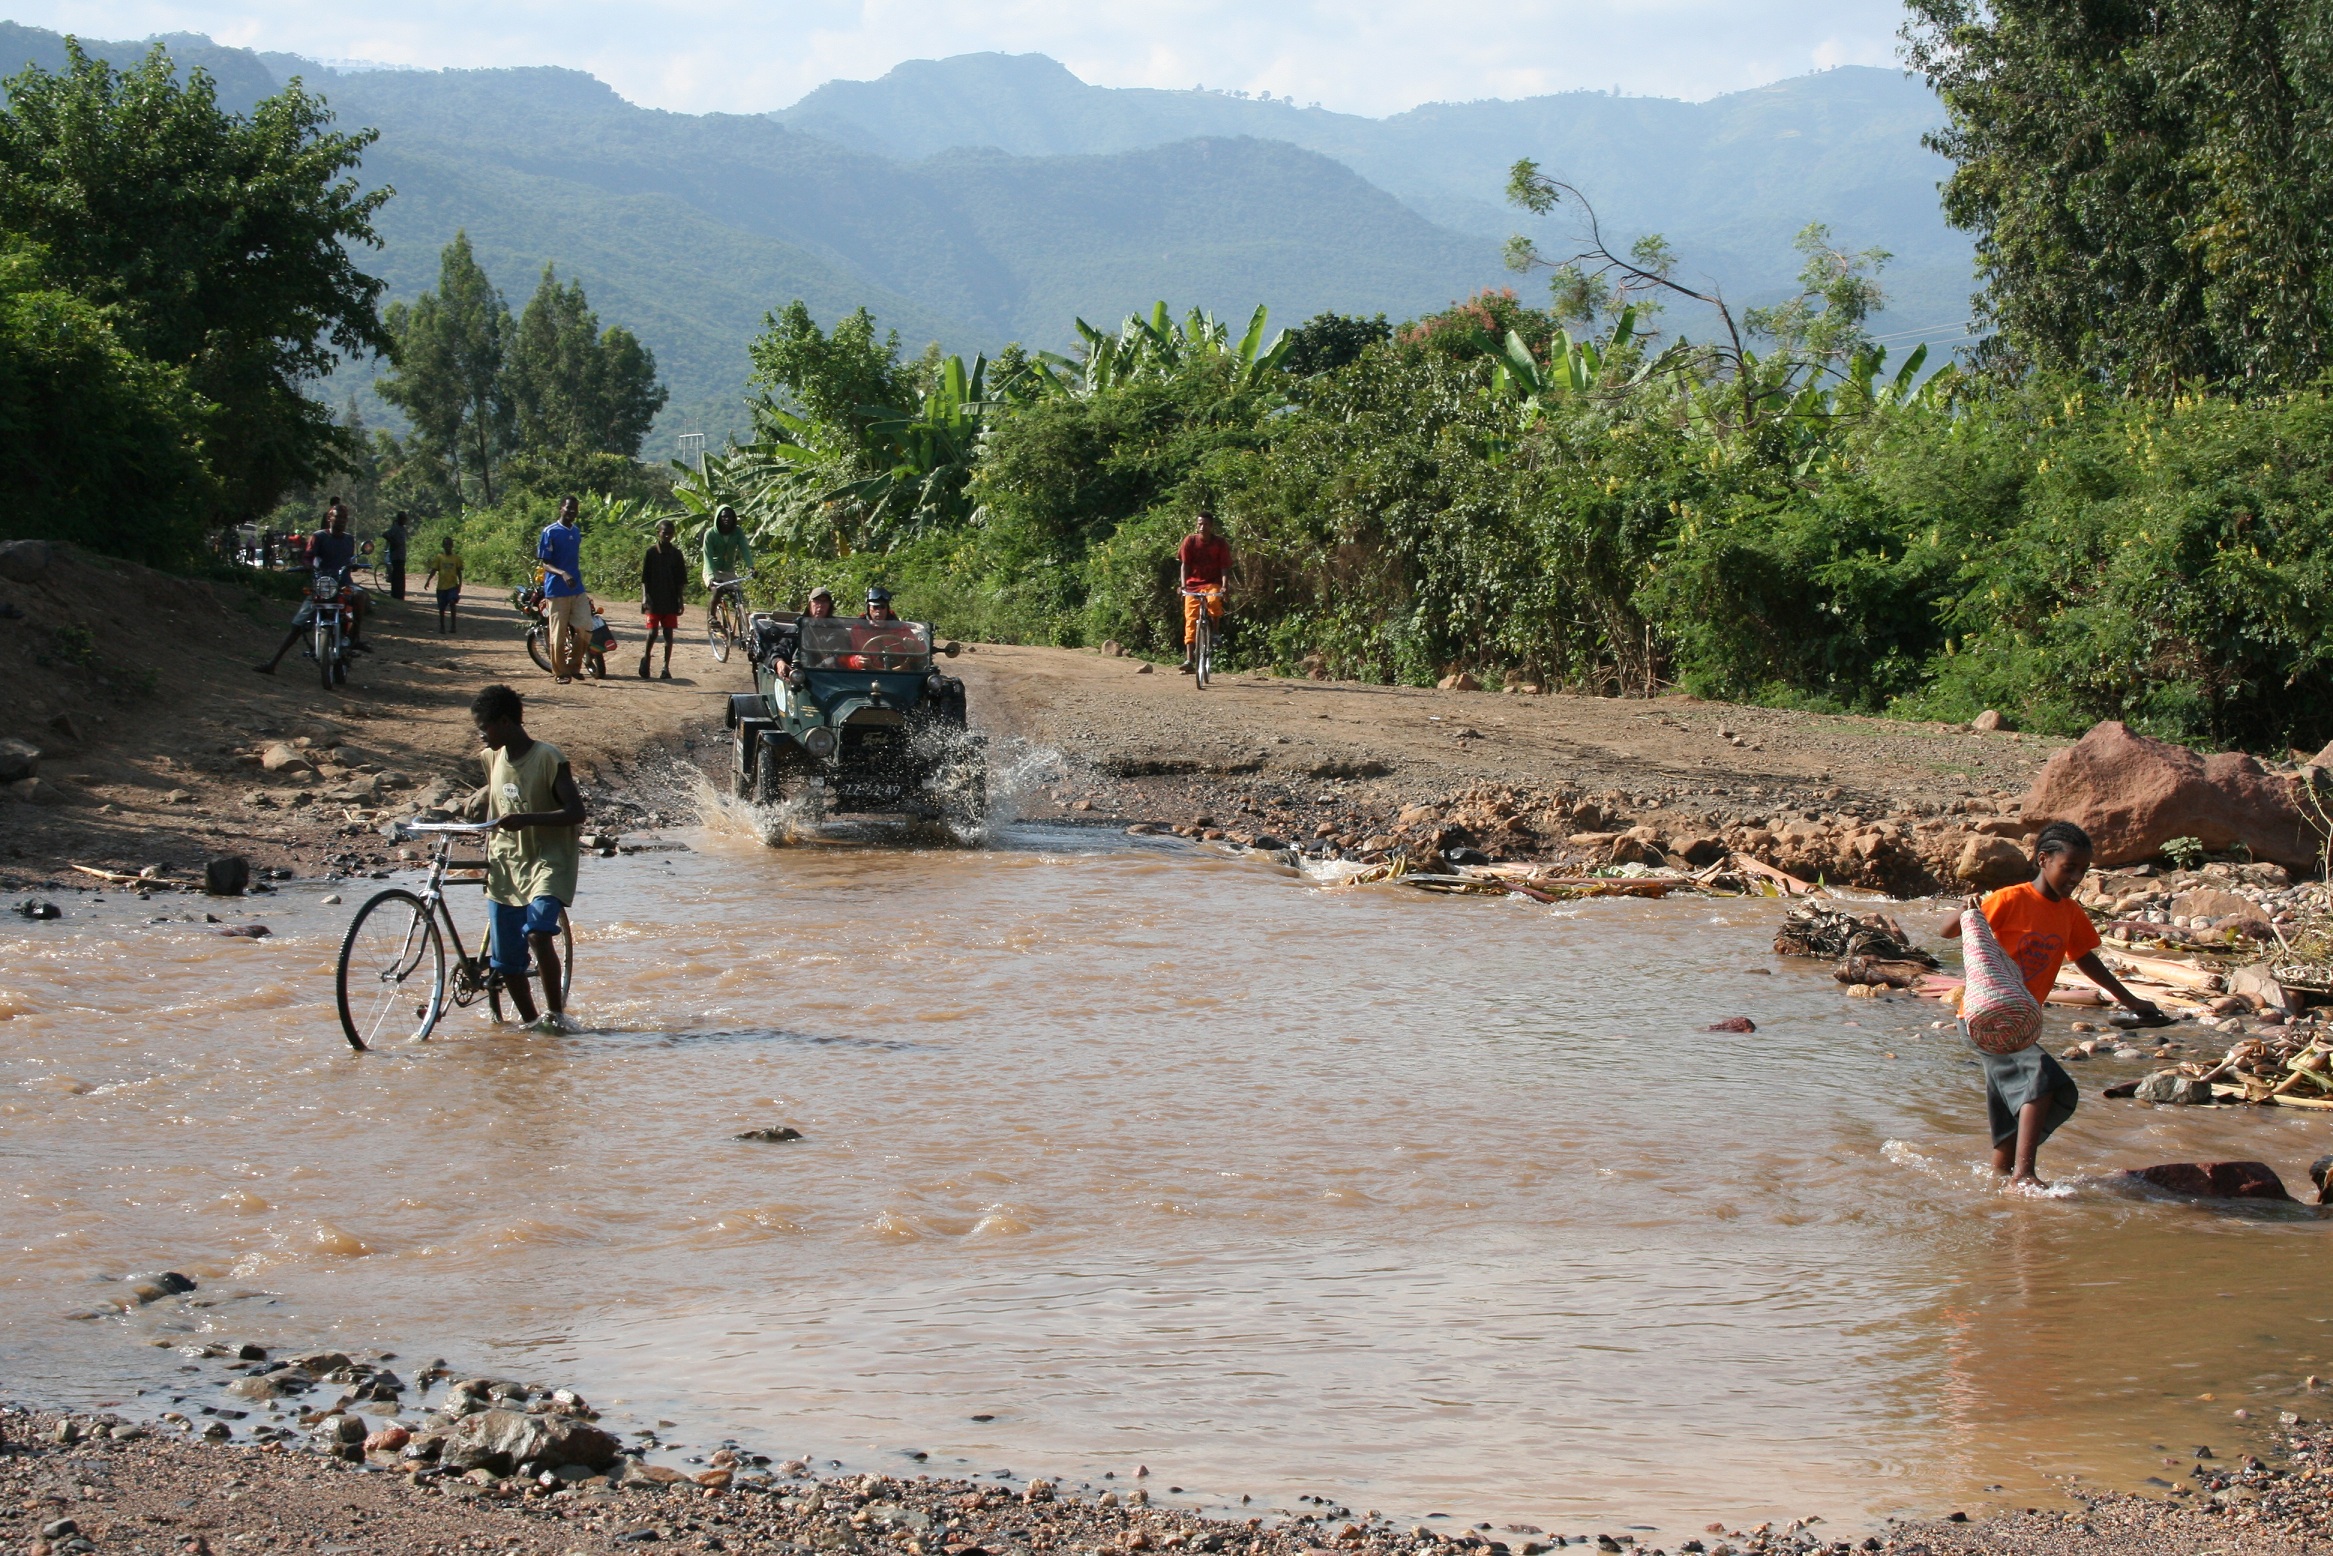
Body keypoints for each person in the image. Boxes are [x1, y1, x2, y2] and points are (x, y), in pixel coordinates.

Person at [1938, 821, 2162, 1188]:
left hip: (2021, 1022)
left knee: (2010, 1099)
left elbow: (2087, 959)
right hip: (1987, 1020)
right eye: (2068, 867)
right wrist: (1964, 908)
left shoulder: (2070, 912)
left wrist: (2132, 1000)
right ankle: (2023, 1177)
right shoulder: (2010, 899)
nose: (2076, 876)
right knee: (2042, 1082)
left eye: (2082, 870)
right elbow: (1947, 932)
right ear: (2043, 860)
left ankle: (1998, 1176)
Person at [472, 683, 586, 1031]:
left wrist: (528, 819)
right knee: (507, 964)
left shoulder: (548, 758)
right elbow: (497, 799)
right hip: (506, 863)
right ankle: (530, 1023)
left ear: (505, 722)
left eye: (484, 728)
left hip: (548, 861)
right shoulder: (491, 758)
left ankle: (555, 1016)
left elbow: (575, 812)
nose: (481, 736)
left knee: (537, 933)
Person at [253, 500, 368, 673]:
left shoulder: (349, 540)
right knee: (298, 625)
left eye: (344, 517)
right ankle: (273, 663)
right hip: (322, 585)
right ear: (330, 517)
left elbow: (349, 560)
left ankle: (355, 637)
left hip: (343, 584)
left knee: (360, 596)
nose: (341, 520)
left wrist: (354, 565)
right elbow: (308, 556)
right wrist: (308, 565)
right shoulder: (319, 537)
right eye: (338, 517)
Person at [537, 496, 589, 682]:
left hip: (577, 588)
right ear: (561, 508)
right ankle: (560, 672)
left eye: (575, 508)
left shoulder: (576, 531)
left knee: (586, 627)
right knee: (558, 634)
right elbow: (545, 563)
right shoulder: (550, 532)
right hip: (557, 590)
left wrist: (572, 576)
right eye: (568, 508)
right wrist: (562, 573)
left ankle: (574, 666)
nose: (572, 511)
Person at [1177, 511, 1230, 672]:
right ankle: (1189, 660)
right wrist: (1183, 585)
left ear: (1211, 526)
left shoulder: (1219, 543)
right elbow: (1184, 565)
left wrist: (1224, 585)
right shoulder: (1190, 541)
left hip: (1211, 583)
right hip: (1192, 585)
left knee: (1214, 602)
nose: (1202, 527)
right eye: (1199, 524)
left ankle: (1215, 633)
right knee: (1190, 619)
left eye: (1205, 524)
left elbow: (1225, 566)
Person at [639, 518, 687, 680]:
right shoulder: (651, 553)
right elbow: (645, 579)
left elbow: (680, 581)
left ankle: (666, 667)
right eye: (664, 533)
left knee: (668, 634)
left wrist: (680, 601)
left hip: (670, 600)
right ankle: (646, 658)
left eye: (670, 533)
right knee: (652, 633)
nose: (666, 536)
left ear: (673, 535)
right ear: (658, 533)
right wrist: (644, 598)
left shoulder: (677, 554)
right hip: (653, 600)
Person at [702, 504, 753, 594]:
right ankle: (712, 608)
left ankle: (739, 608)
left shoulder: (738, 532)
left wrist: (751, 567)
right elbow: (707, 556)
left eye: (730, 516)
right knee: (717, 591)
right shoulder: (710, 534)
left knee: (738, 593)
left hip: (728, 569)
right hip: (713, 569)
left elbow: (745, 550)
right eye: (724, 516)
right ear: (718, 518)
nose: (727, 519)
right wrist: (711, 576)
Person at [421, 535, 465, 634]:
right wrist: (428, 581)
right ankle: (442, 626)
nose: (447, 546)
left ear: (452, 546)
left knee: (452, 603)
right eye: (445, 544)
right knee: (441, 608)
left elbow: (459, 572)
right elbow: (434, 570)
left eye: (449, 544)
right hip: (441, 587)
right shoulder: (439, 558)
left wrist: (460, 584)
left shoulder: (456, 558)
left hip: (452, 586)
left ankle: (453, 626)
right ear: (443, 546)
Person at [382, 511, 410, 601]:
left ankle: (400, 595)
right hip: (396, 556)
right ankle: (396, 595)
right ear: (400, 519)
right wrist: (393, 542)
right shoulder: (396, 528)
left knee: (400, 576)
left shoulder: (402, 528)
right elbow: (385, 534)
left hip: (401, 555)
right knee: (397, 576)